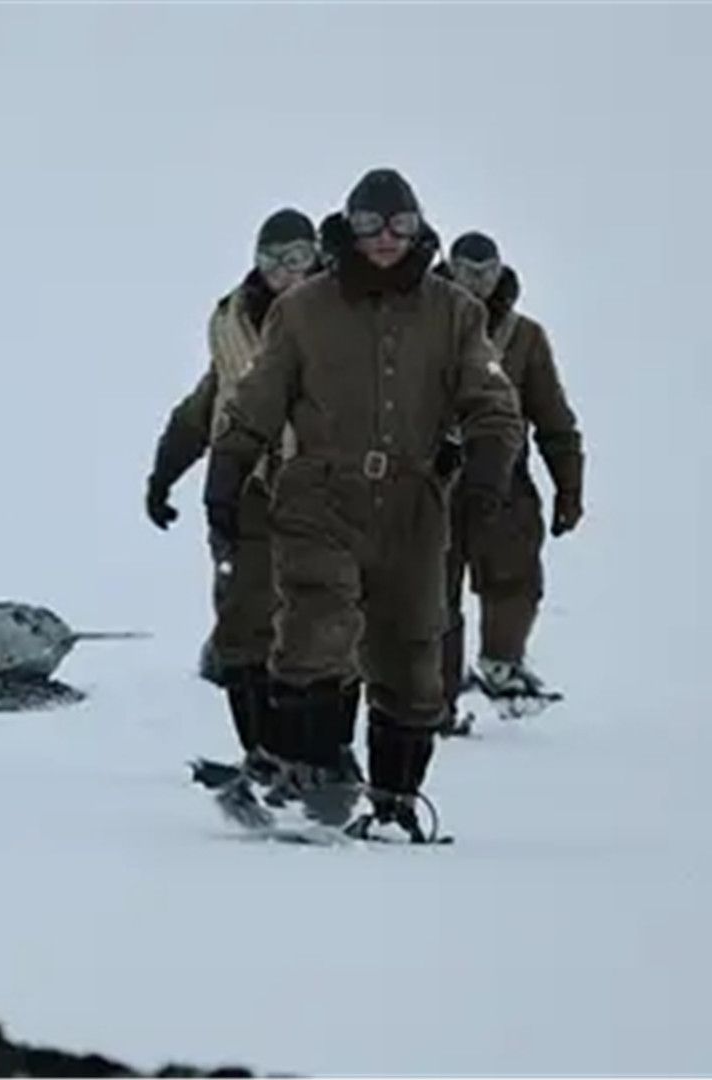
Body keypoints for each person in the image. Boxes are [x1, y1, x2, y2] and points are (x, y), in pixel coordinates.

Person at [203, 168, 524, 841]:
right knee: (318, 627)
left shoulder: (455, 313)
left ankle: (395, 800)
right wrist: (226, 472)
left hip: (415, 502)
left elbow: (491, 403)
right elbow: (256, 399)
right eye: (372, 226)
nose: (386, 240)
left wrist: (491, 472)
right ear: (348, 227)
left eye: (401, 226)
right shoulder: (303, 310)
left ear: (419, 229)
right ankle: (315, 780)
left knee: (412, 658)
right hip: (319, 492)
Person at [147, 209, 359, 782]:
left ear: (315, 256)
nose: (282, 271)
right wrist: (166, 472)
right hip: (243, 492)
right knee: (243, 626)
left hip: (324, 490)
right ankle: (263, 754)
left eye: (295, 259)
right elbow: (207, 404)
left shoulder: (345, 308)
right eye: (271, 259)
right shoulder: (232, 320)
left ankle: (328, 756)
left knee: (325, 628)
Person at [434, 232, 585, 721]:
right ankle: (436, 692)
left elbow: (553, 418)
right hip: (431, 476)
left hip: (503, 475)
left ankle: (501, 665)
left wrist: (569, 485)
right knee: (432, 589)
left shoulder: (524, 338)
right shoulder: (419, 322)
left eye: (485, 272)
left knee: (515, 575)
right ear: (447, 270)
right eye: (464, 272)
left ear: (500, 272)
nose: (475, 283)